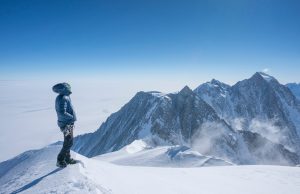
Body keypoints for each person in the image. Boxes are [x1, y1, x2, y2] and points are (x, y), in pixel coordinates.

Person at [52, 82, 77, 168]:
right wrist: (72, 117)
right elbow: (62, 112)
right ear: (64, 89)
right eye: (68, 88)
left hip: (66, 123)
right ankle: (60, 160)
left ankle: (67, 159)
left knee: (68, 141)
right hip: (67, 124)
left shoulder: (63, 97)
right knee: (68, 142)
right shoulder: (62, 98)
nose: (70, 89)